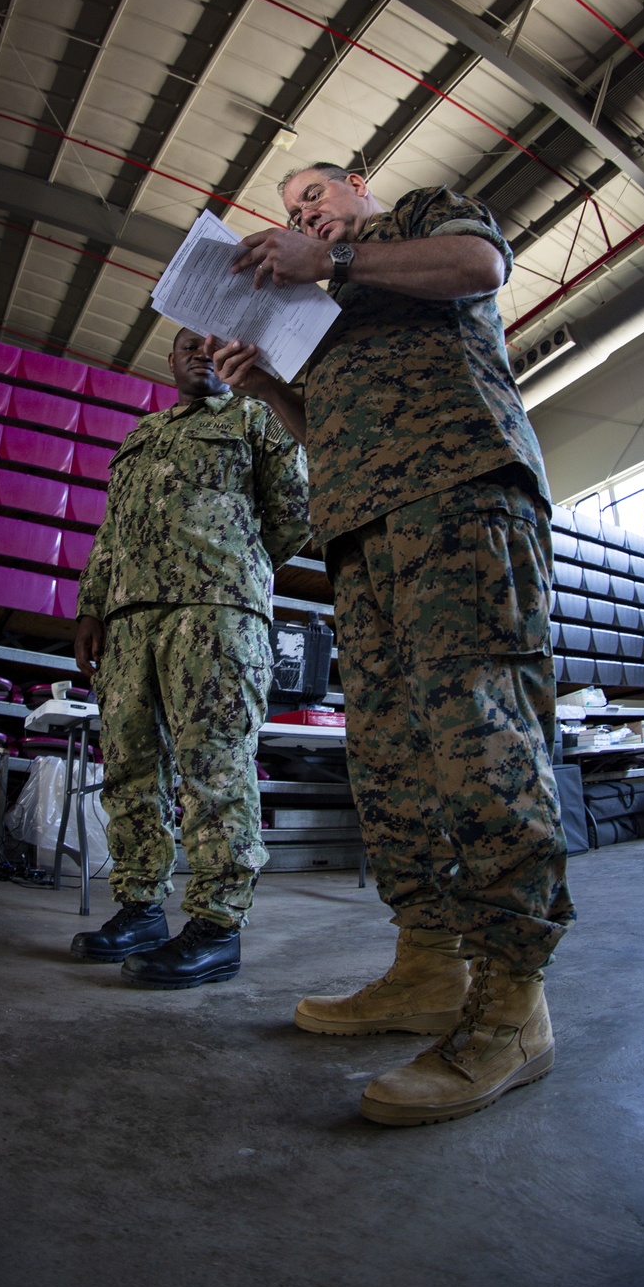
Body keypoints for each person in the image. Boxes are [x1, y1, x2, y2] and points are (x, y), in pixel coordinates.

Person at [210, 164, 575, 1126]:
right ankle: (428, 968)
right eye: (292, 210)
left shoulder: (413, 222)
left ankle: (512, 1008)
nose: (305, 211)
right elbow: (325, 433)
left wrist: (329, 255)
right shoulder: (320, 305)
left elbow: (480, 265)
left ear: (359, 188)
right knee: (389, 761)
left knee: (479, 738)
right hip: (361, 529)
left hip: (458, 493)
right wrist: (272, 392)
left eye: (318, 193)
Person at [70, 327, 310, 988]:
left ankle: (216, 926)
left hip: (216, 613)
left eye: (216, 344)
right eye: (188, 346)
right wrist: (93, 605)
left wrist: (231, 561)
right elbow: (111, 530)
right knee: (128, 767)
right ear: (171, 361)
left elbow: (292, 513)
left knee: (213, 764)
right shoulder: (138, 437)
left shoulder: (259, 417)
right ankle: (141, 907)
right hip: (129, 620)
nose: (202, 352)